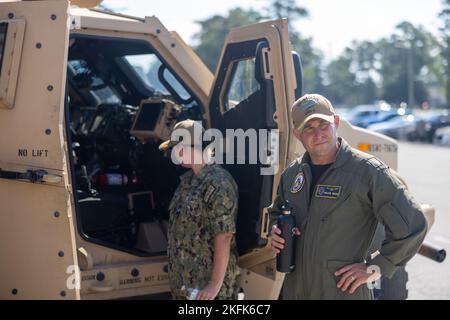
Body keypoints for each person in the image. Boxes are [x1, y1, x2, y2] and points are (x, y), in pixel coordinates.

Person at [270, 94, 427, 300]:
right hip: (296, 291)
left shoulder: (367, 172)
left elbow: (413, 225)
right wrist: (277, 231)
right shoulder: (292, 175)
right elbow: (277, 212)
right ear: (297, 134)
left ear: (335, 122)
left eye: (323, 125)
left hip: (343, 292)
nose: (318, 134)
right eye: (308, 128)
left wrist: (376, 268)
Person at [159, 119, 239, 300]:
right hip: (185, 284)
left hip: (205, 288)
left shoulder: (218, 183)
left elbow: (224, 236)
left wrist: (213, 285)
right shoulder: (187, 181)